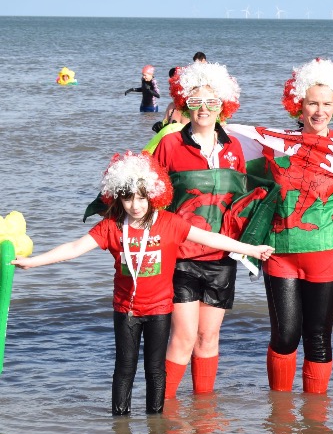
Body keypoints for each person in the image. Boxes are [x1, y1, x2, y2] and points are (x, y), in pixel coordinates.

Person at [11, 151, 273, 415]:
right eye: (127, 198)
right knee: (124, 368)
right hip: (126, 309)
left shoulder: (170, 223)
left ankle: (155, 423)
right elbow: (74, 248)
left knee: (155, 369)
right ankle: (120, 425)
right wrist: (34, 262)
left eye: (141, 197)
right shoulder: (111, 227)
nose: (135, 205)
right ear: (118, 197)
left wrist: (250, 249)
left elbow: (211, 238)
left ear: (153, 195)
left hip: (160, 310)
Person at [257, 57, 333, 394]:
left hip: (330, 254)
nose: (319, 111)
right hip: (280, 253)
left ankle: (316, 416)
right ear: (298, 104)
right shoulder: (274, 145)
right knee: (285, 337)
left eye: (327, 104)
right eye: (312, 103)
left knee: (318, 337)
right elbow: (242, 175)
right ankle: (280, 413)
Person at [153, 62, 246, 399]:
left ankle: (204, 412)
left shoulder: (234, 148)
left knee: (208, 338)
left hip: (221, 257)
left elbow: (242, 201)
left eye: (211, 102)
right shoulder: (169, 145)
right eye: (195, 102)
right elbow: (152, 199)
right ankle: (163, 411)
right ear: (184, 104)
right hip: (180, 257)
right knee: (183, 337)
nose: (203, 109)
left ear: (223, 105)